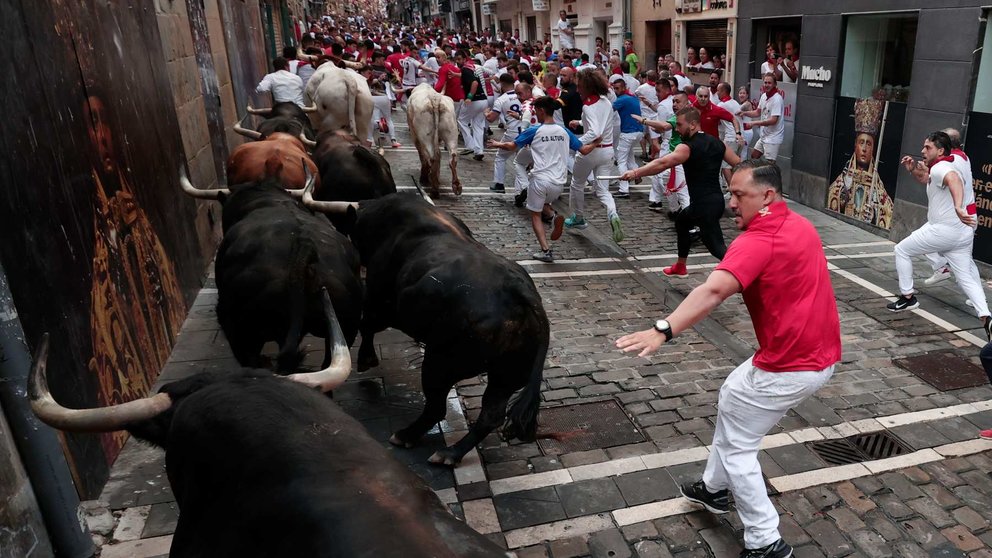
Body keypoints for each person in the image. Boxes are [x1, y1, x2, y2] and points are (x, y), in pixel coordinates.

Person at [616, 160, 841, 558]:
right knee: (732, 399)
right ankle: (713, 488)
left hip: (788, 365)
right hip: (818, 357)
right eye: (731, 193)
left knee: (739, 447)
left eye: (739, 195)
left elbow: (714, 290)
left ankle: (765, 540)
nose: (730, 203)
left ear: (768, 196)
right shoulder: (800, 224)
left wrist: (663, 329)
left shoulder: (759, 239)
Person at [886, 132, 992, 342]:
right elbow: (928, 178)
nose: (923, 151)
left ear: (941, 150)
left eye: (927, 148)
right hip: (962, 234)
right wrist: (912, 170)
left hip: (944, 229)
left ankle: (908, 297)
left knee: (902, 250)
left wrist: (958, 207)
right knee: (966, 277)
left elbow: (953, 180)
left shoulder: (944, 167)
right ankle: (986, 317)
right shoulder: (941, 166)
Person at [621, 106, 741, 276]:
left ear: (692, 125)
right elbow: (739, 164)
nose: (676, 129)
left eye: (679, 125)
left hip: (703, 206)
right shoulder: (718, 142)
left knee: (717, 248)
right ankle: (680, 265)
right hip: (714, 201)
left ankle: (746, 272)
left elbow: (662, 164)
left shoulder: (686, 147)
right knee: (682, 221)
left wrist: (635, 172)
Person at [489, 96, 600, 262]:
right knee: (544, 203)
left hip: (540, 180)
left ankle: (545, 250)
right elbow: (583, 150)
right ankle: (554, 217)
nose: (535, 114)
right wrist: (596, 143)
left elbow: (512, 146)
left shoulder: (534, 130)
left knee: (534, 213)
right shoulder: (564, 131)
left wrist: (497, 144)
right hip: (559, 183)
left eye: (536, 111)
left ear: (541, 111)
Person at [564, 69, 625, 243]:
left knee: (577, 183)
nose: (578, 89)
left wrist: (577, 142)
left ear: (586, 86)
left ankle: (578, 217)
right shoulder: (605, 101)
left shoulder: (587, 106)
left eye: (579, 86)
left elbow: (595, 130)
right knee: (602, 189)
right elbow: (600, 121)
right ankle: (612, 213)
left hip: (591, 151)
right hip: (607, 151)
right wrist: (580, 122)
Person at [825, 98, 893, 228]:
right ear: (855, 145)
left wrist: (874, 214)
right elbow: (832, 198)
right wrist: (843, 198)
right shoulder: (844, 179)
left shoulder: (877, 187)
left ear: (873, 149)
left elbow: (888, 211)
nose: (864, 149)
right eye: (861, 142)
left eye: (868, 144)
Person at [923, 128, 974, 285]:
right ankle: (978, 298)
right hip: (965, 213)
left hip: (958, 214)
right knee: (966, 262)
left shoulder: (952, 160)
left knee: (922, 239)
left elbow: (945, 178)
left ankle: (941, 268)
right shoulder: (963, 157)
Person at [486, 74, 524, 193]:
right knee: (522, 161)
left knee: (501, 157)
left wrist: (486, 113)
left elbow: (491, 118)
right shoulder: (524, 94)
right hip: (526, 131)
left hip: (512, 133)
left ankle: (499, 183)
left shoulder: (501, 99)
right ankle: (523, 188)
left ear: (502, 84)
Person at [739, 74, 784, 161]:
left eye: (769, 83)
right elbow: (757, 112)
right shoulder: (764, 96)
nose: (766, 85)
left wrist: (754, 123)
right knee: (754, 156)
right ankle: (760, 174)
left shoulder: (777, 99)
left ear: (775, 84)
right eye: (765, 82)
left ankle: (768, 173)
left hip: (773, 137)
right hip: (764, 136)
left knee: (770, 164)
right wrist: (744, 113)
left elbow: (773, 120)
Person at [611, 78, 642, 199]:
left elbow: (607, 111)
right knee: (629, 156)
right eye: (614, 88)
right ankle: (637, 174)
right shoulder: (632, 97)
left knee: (621, 160)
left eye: (617, 88)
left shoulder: (621, 99)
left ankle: (624, 189)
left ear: (624, 87)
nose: (616, 91)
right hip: (638, 132)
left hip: (628, 132)